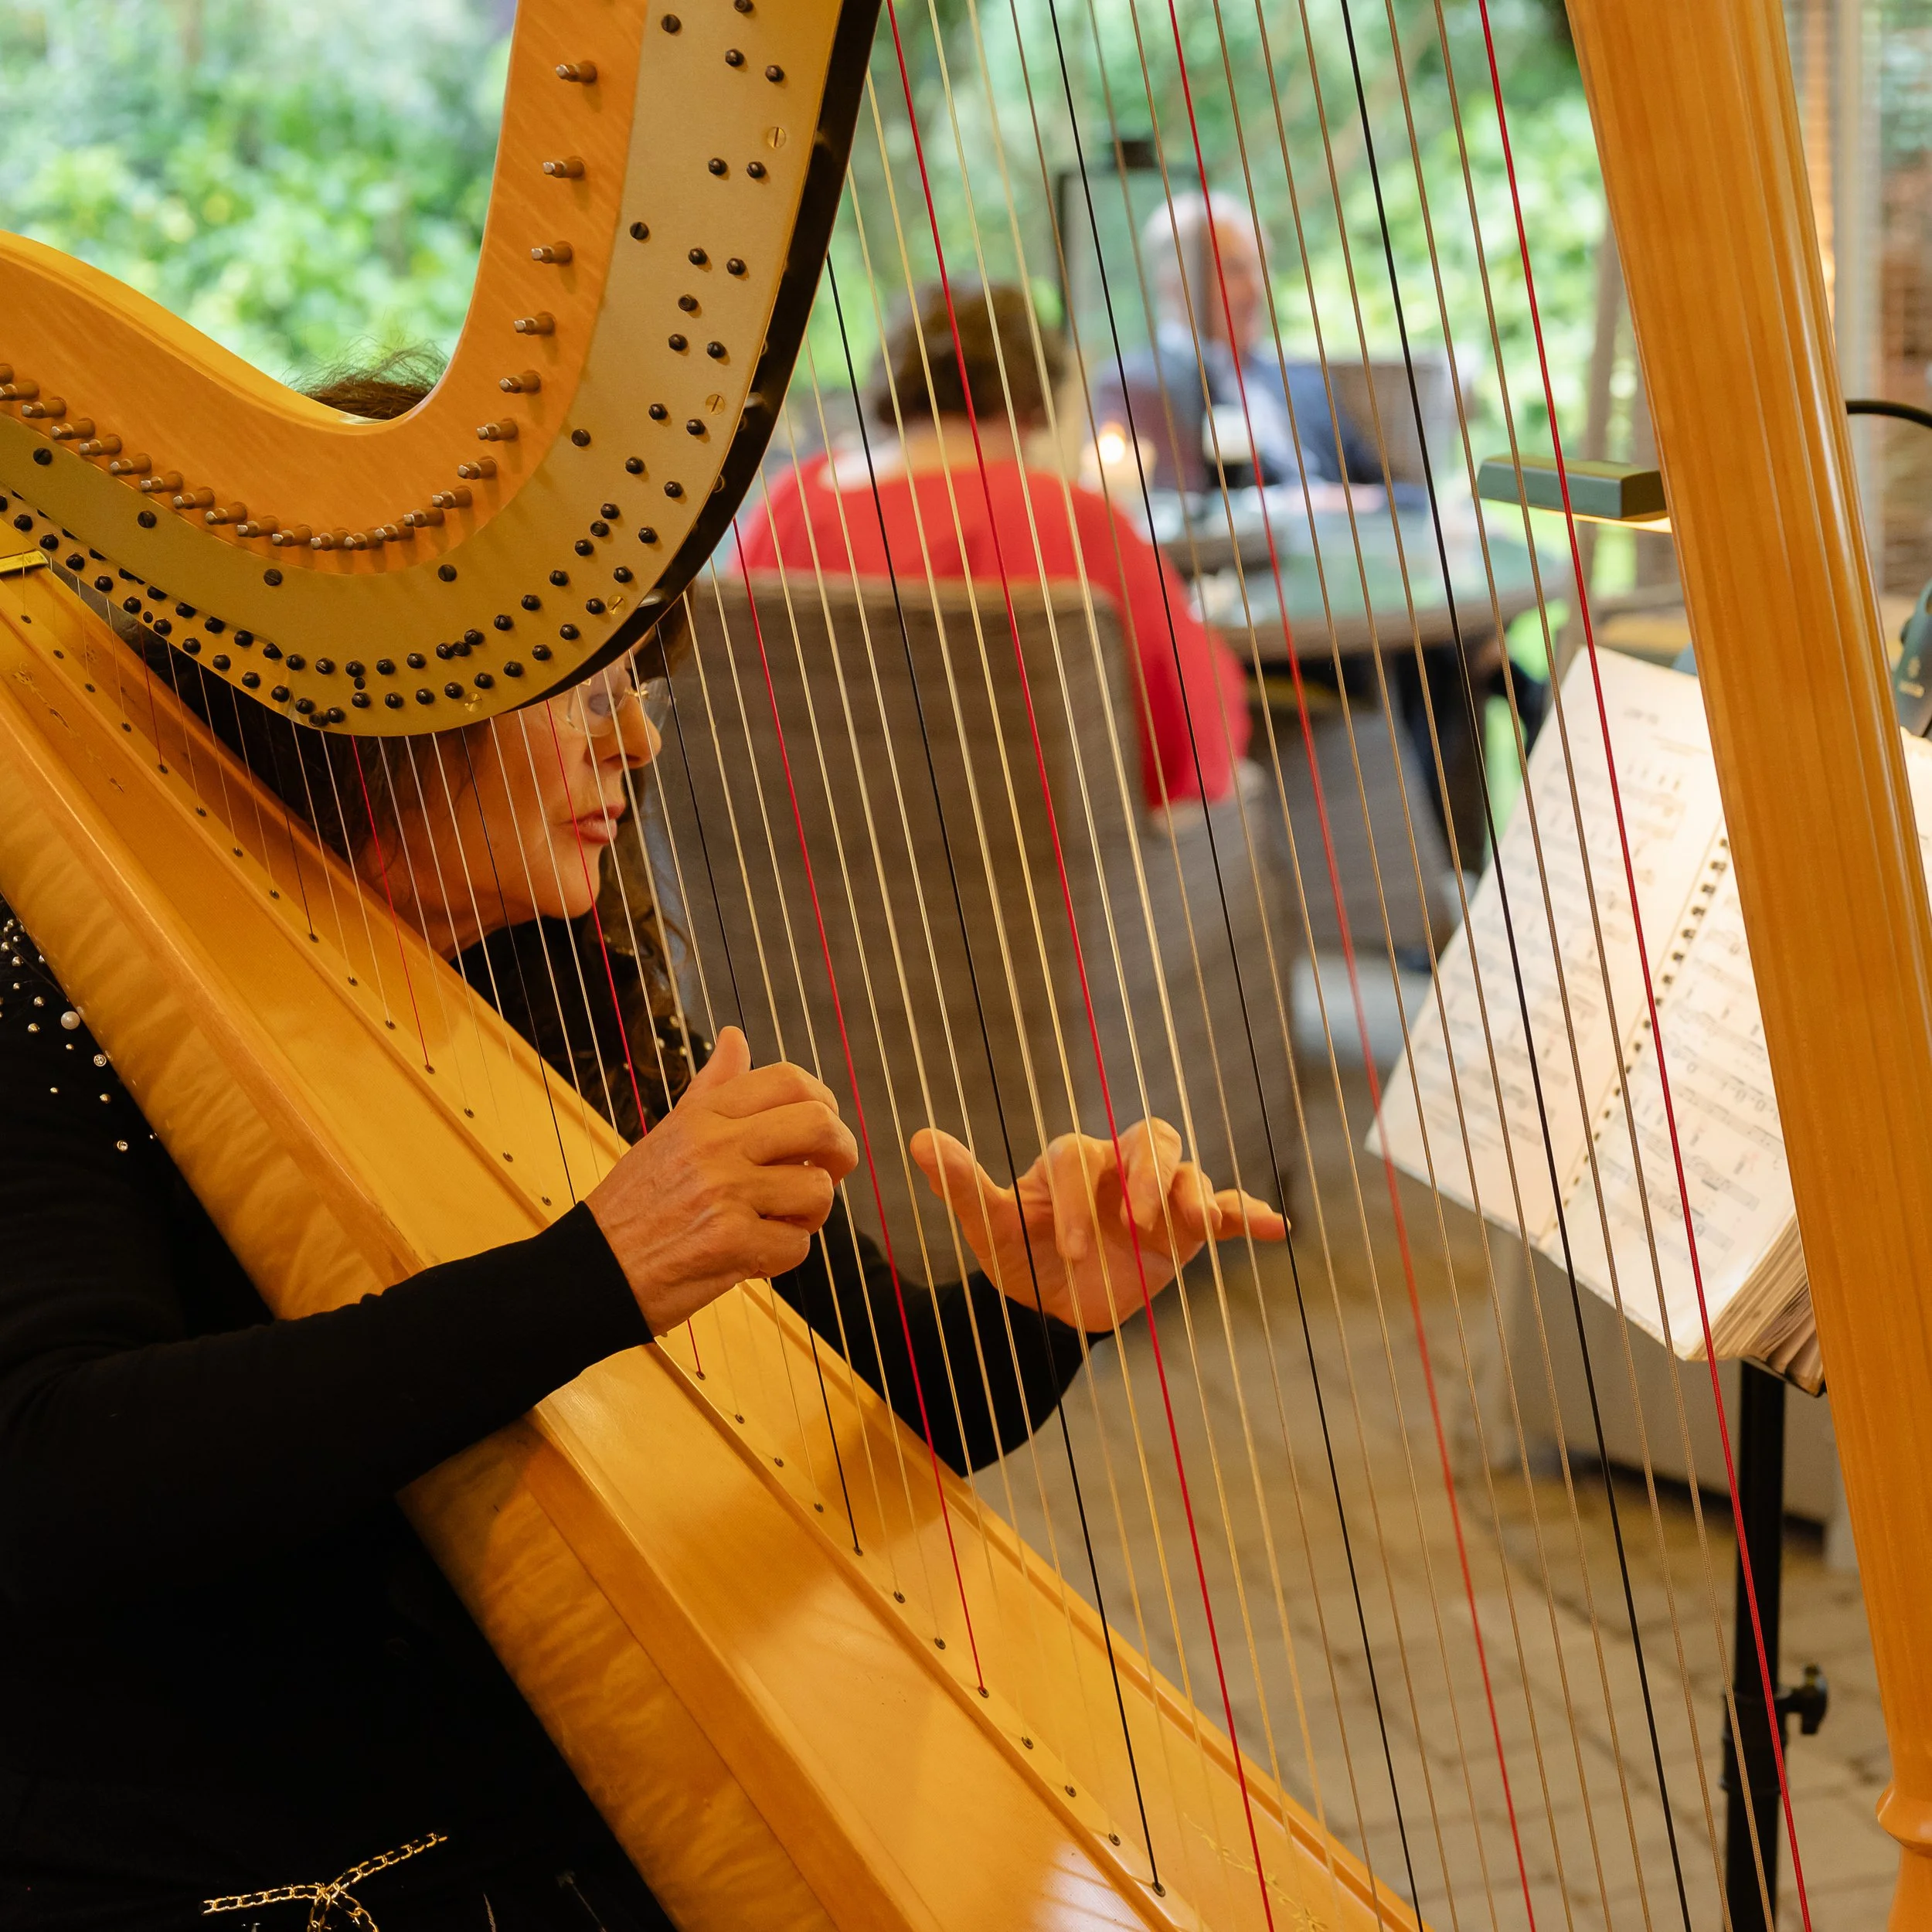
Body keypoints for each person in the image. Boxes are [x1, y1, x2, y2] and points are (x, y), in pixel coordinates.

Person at [0, 366, 1286, 1930]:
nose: (636, 743)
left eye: (634, 687)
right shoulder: (61, 999)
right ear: (389, 706)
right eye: (576, 690)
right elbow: (57, 1477)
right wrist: (590, 1272)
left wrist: (1033, 1306)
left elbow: (861, 1389)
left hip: (533, 1811)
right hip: (232, 1861)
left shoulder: (548, 980)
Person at [736, 281, 1253, 815]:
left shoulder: (791, 506)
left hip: (806, 844)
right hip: (1028, 854)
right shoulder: (1065, 518)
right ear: (1032, 398)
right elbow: (1191, 734)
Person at [1088, 190, 1386, 498]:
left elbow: (1383, 492)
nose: (1256, 288)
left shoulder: (1304, 381)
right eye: (1233, 269)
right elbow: (1179, 500)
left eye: (1260, 268)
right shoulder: (1138, 389)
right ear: (1174, 282)